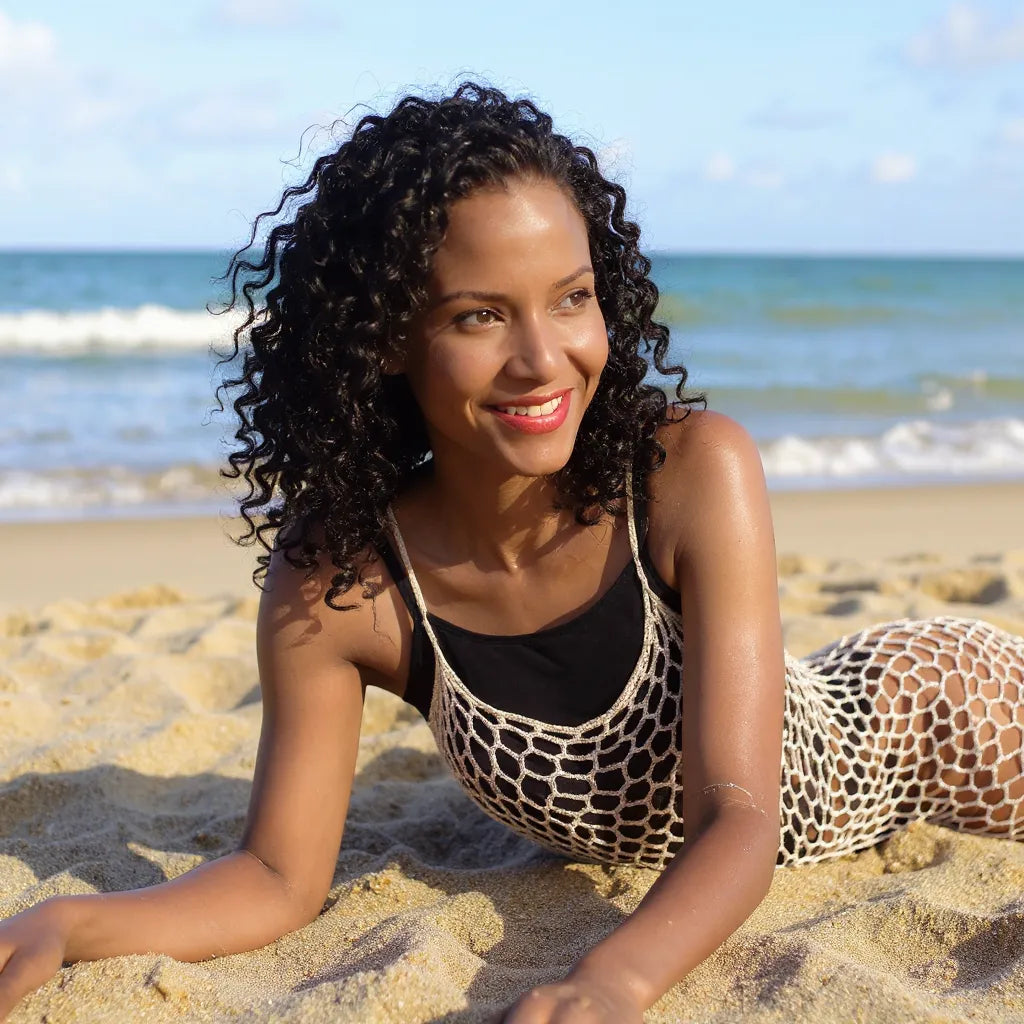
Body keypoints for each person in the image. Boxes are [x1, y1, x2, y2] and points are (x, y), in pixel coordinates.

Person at [1, 81, 1022, 1024]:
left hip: (932, 720)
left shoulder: (687, 472)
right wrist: (67, 922)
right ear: (385, 338)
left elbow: (739, 817)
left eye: (571, 297)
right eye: (480, 315)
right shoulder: (345, 582)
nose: (544, 359)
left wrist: (609, 980)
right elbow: (275, 877)